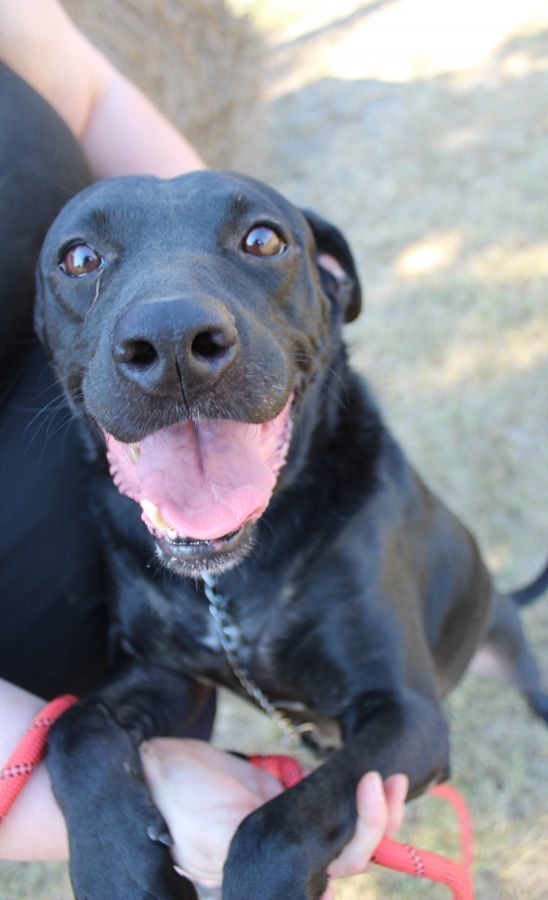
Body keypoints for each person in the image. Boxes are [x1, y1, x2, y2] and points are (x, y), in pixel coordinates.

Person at [0, 1, 408, 893]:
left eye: (264, 244)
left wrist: (241, 281)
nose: (174, 324)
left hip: (151, 627)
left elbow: (94, 92)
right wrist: (80, 799)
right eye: (79, 263)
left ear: (333, 284)